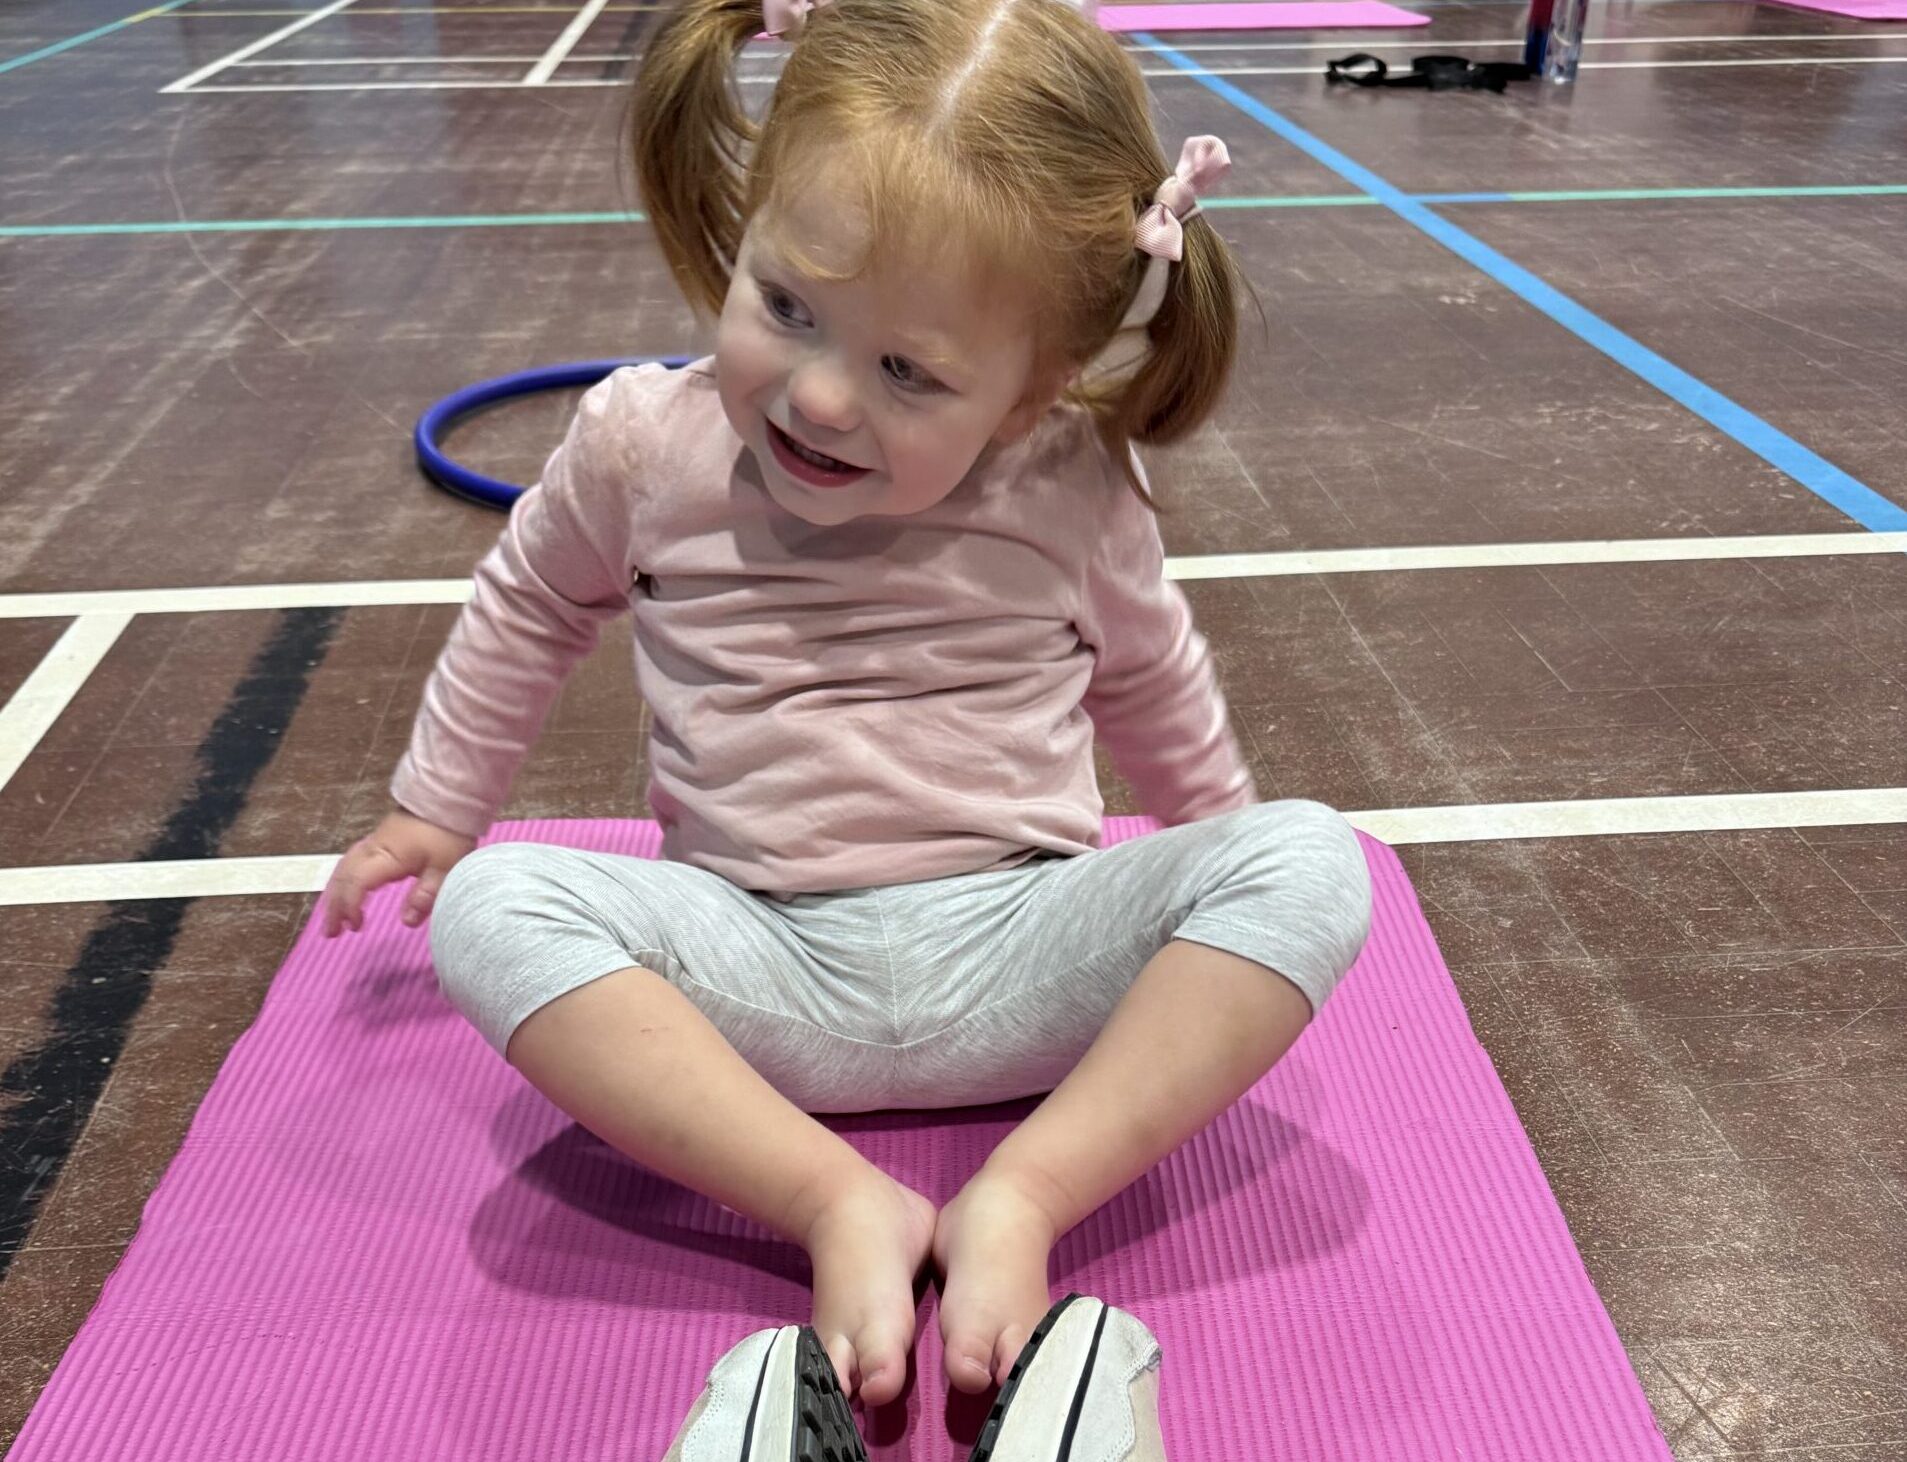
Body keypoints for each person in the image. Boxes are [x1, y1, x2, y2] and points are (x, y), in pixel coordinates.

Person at [322, 0, 1371, 1452]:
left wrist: (1208, 876)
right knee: (500, 901)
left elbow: (1154, 676)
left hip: (1022, 955)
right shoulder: (642, 440)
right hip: (754, 975)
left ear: (1030, 397)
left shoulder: (1069, 480)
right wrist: (437, 811)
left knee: (1312, 857)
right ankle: (836, 1198)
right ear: (743, 230)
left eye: (910, 373)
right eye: (787, 306)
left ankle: (1026, 1192)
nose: (816, 394)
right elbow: (527, 605)